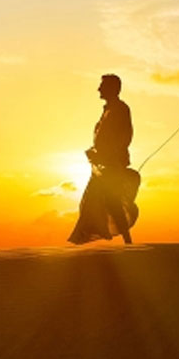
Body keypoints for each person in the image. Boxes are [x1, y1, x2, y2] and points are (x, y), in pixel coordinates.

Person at [68, 74, 138, 245]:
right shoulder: (107, 109)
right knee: (96, 201)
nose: (99, 89)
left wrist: (109, 156)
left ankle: (127, 242)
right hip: (102, 163)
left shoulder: (121, 109)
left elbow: (125, 136)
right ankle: (81, 241)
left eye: (102, 86)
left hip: (112, 164)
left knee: (111, 200)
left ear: (113, 88)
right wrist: (95, 153)